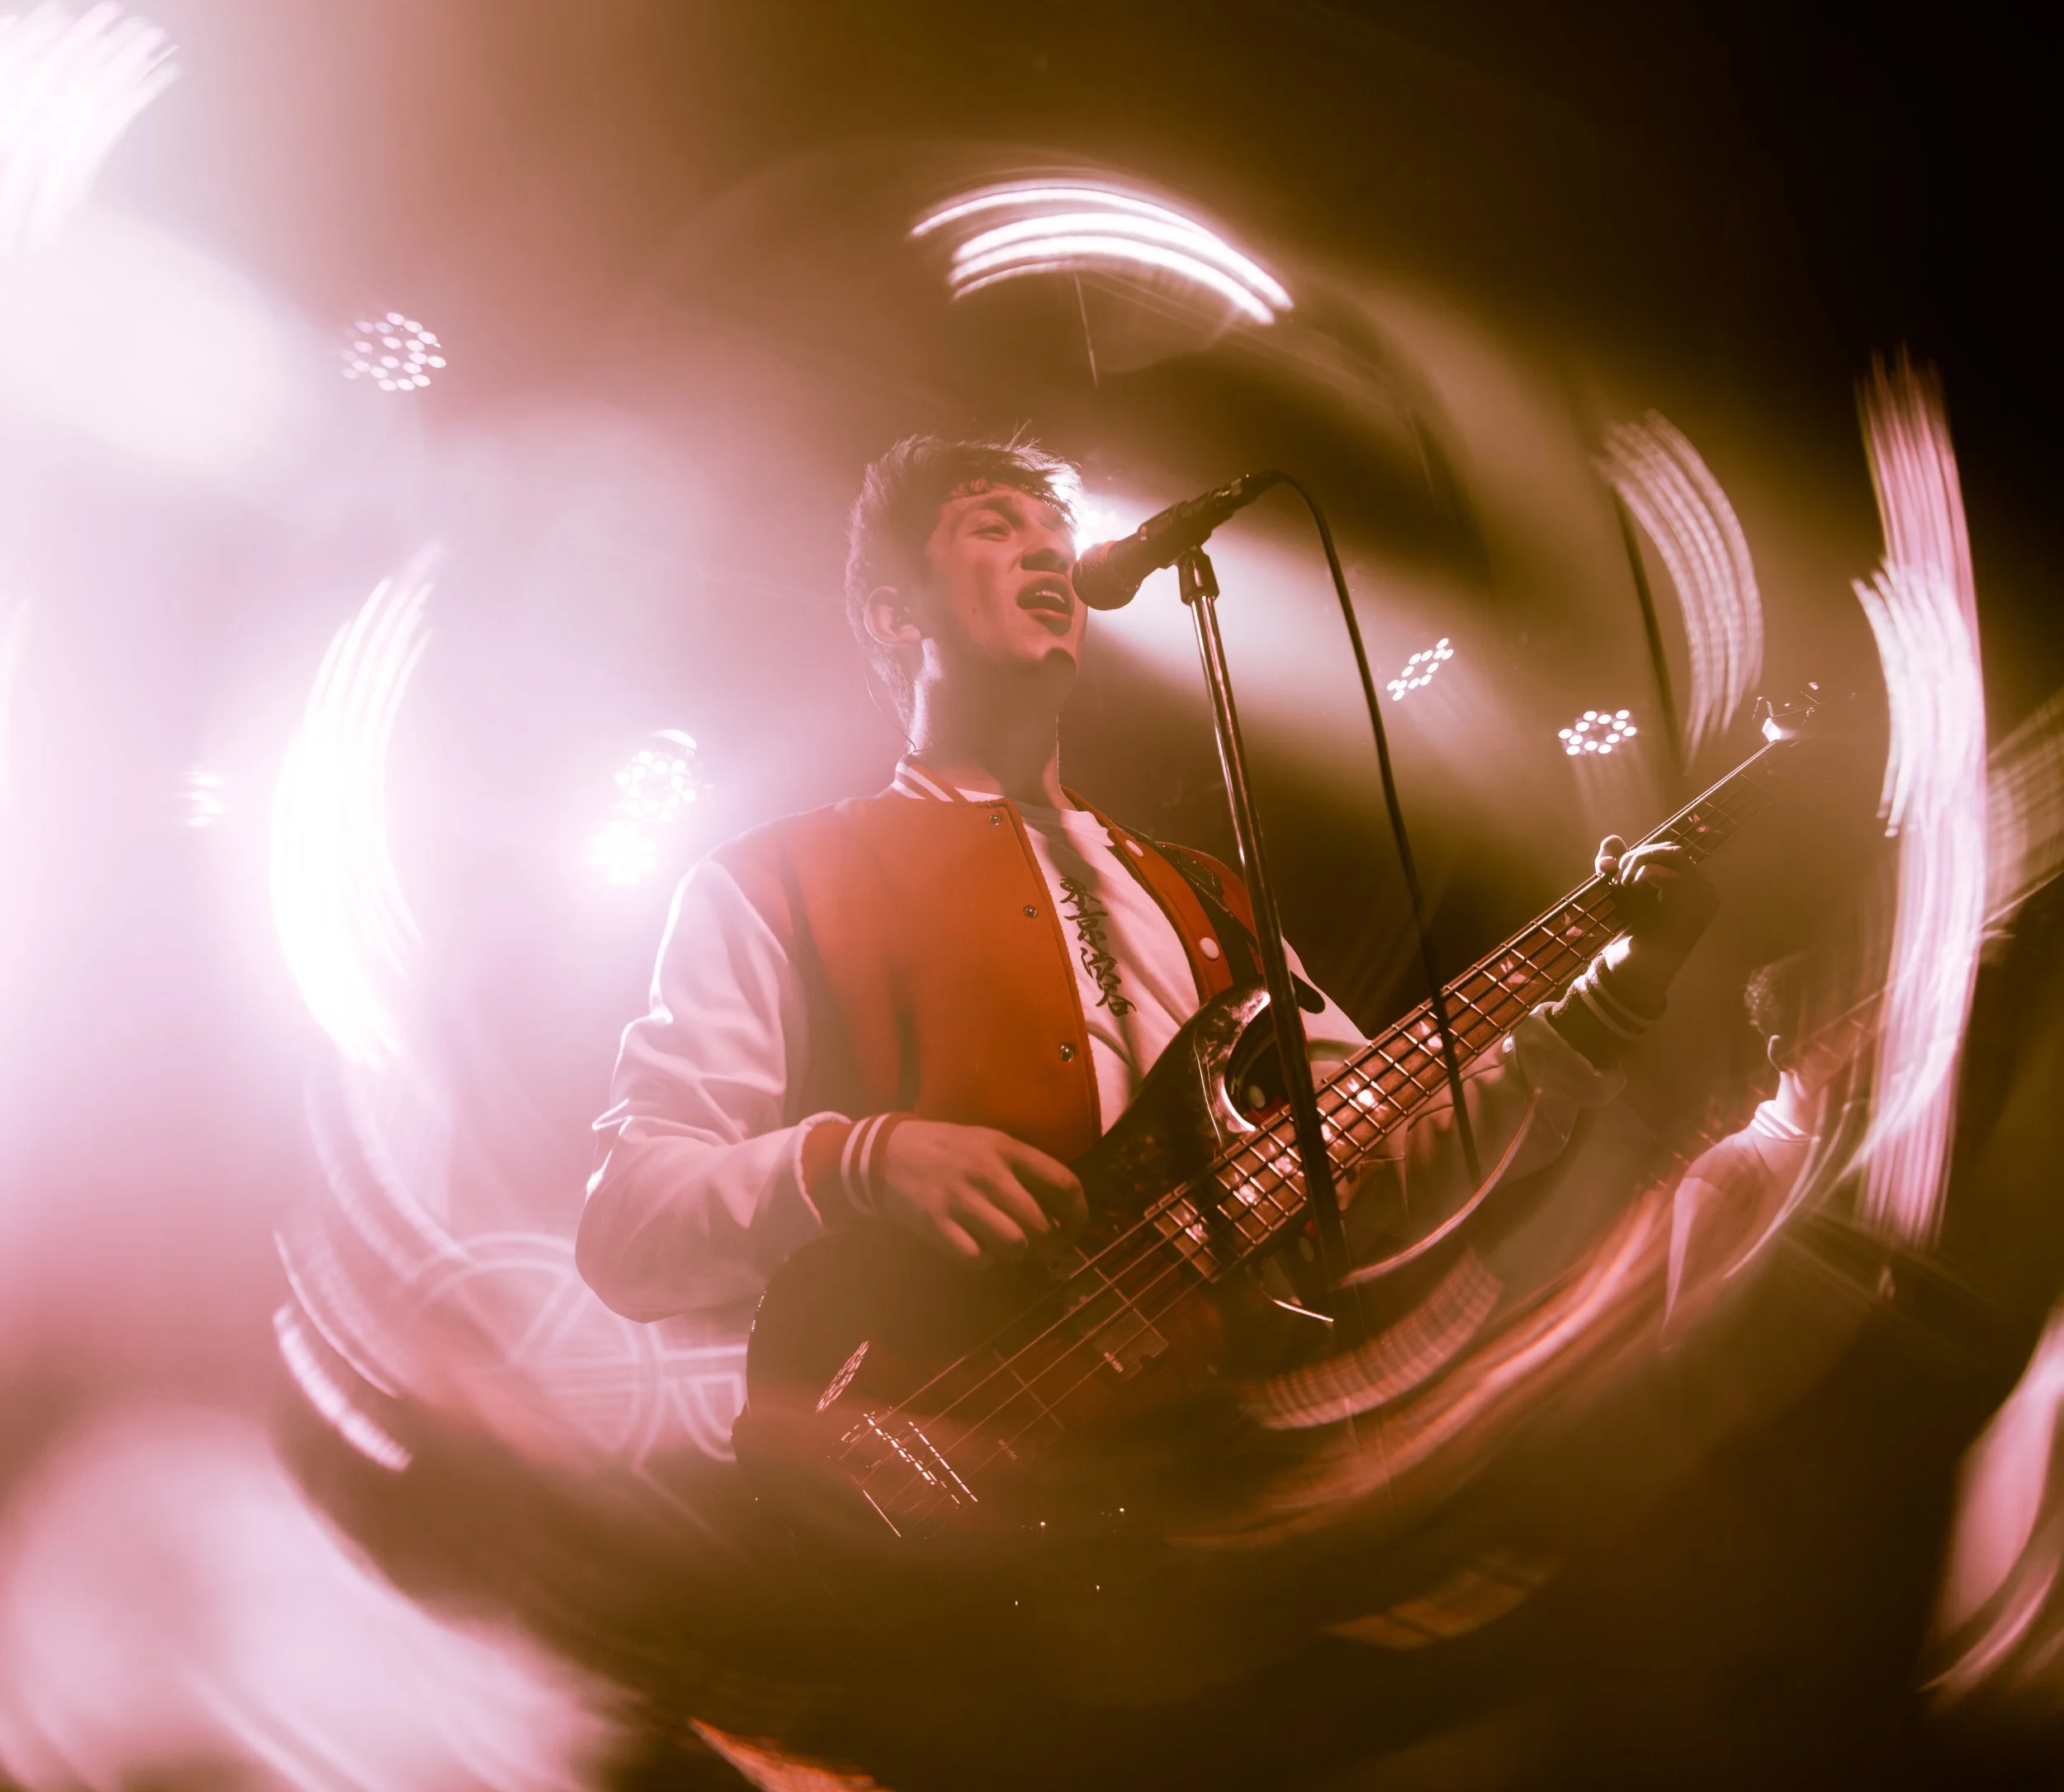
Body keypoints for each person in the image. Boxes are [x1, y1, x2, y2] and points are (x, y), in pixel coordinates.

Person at [575, 434, 1713, 1340]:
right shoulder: (771, 879)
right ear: (895, 612)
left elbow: (1380, 1170)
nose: (1049, 556)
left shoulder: (1207, 895)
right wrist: (858, 1162)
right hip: (923, 1475)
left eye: (1059, 535)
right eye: (994, 526)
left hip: (1217, 1479)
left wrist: (1606, 1002)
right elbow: (629, 1227)